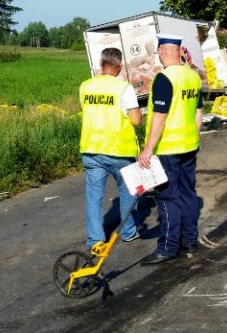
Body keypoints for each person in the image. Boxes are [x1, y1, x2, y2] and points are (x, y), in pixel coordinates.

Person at [138, 34, 203, 265]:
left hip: (169, 148)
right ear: (179, 51)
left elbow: (160, 115)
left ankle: (167, 247)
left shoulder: (164, 78)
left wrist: (147, 149)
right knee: (187, 194)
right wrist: (194, 137)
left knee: (167, 197)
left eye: (158, 53)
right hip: (189, 146)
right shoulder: (193, 76)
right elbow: (198, 112)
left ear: (162, 52)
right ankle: (189, 241)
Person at [79, 47, 142, 248]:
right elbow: (135, 120)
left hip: (91, 148)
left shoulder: (85, 87)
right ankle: (128, 231)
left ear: (101, 64)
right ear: (119, 66)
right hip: (119, 150)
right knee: (127, 192)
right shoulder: (124, 88)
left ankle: (95, 238)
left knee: (94, 197)